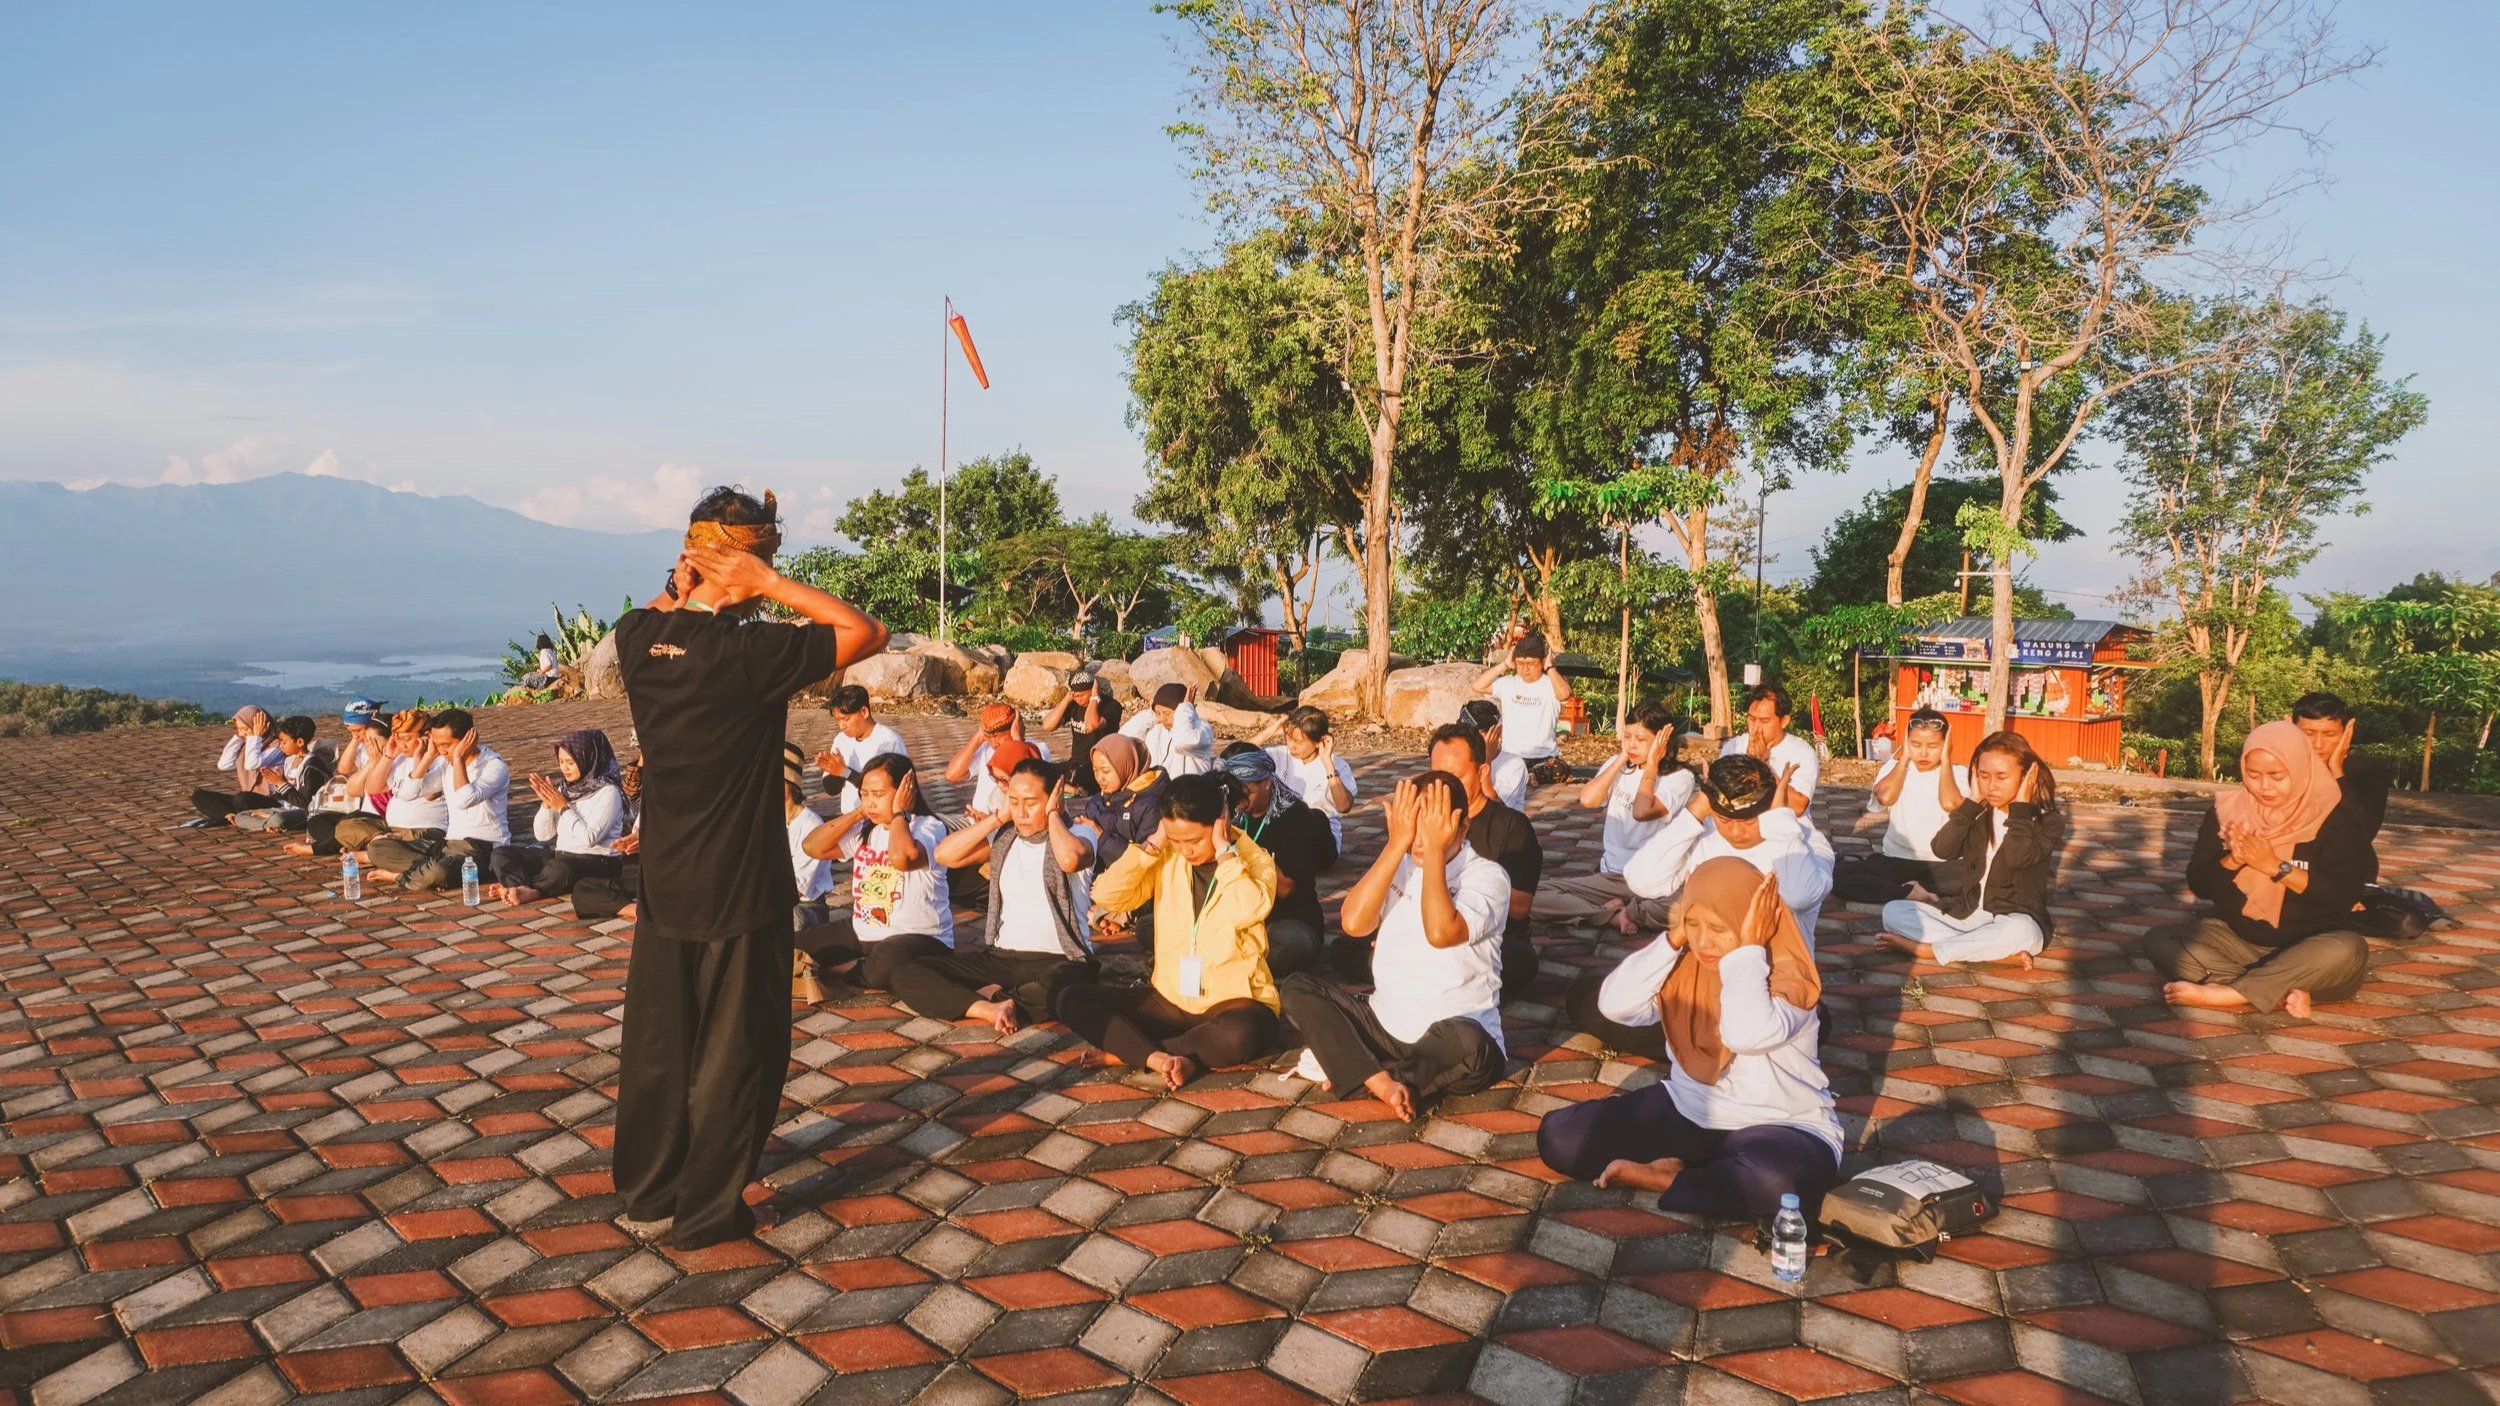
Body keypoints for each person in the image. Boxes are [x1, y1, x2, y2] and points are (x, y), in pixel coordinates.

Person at [611, 484, 887, 1250]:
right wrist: (767, 586)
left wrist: (688, 583)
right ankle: (708, 1213)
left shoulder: (637, 638)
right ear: (749, 567)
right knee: (740, 1052)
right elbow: (866, 630)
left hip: (666, 880)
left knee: (661, 1043)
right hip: (740, 884)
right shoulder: (753, 652)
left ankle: (648, 1185)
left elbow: (661, 611)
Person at [1537, 859, 1843, 1225]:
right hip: (1688, 1109)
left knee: (1779, 1184)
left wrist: (1748, 953)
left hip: (1782, 1126)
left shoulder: (1788, 976)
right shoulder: (1686, 966)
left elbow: (1745, 1034)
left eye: (1718, 927)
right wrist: (1671, 940)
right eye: (1692, 924)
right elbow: (1614, 1006)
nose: (1703, 941)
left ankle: (1668, 1178)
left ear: (1754, 925)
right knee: (1561, 1138)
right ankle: (1706, 1174)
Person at [1280, 773, 1511, 1121]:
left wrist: (1434, 849)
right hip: (1384, 1024)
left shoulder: (1488, 877)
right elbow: (1353, 923)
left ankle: (1354, 1069)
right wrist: (1394, 845)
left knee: (1471, 1044)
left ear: (1462, 827)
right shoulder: (1401, 862)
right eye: (1413, 825)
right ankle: (1381, 1081)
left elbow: (1441, 932)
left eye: (1431, 826)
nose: (1420, 840)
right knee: (1299, 987)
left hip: (1452, 1034)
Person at [1568, 755, 1832, 1058]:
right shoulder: (1705, 833)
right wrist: (1695, 812)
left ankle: (1698, 1046)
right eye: (1724, 820)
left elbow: (1800, 895)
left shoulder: (1804, 843)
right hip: (1701, 983)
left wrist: (1781, 820)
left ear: (1771, 805)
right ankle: (1699, 1045)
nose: (1735, 832)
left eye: (1747, 821)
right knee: (1588, 995)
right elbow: (1640, 880)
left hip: (1771, 988)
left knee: (1805, 1023)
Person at [1054, 774, 1280, 1091]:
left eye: (1195, 840)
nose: (1186, 850)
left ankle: (1132, 1052)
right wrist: (1154, 844)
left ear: (1221, 822)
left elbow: (1248, 909)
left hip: (1234, 1001)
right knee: (1071, 998)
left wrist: (1225, 852)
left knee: (1242, 1033)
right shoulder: (1165, 855)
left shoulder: (1254, 859)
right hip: (1170, 998)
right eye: (1177, 840)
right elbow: (1107, 895)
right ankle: (1160, 1058)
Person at [2148, 721, 2377, 1019]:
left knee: (2348, 948)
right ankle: (2272, 994)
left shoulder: (2336, 819)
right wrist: (2234, 860)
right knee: (2160, 941)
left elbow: (2342, 896)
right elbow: (2200, 885)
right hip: (2237, 940)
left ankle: (2231, 992)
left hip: (2311, 947)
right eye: (2254, 776)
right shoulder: (2226, 812)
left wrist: (2274, 866)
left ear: (2299, 768)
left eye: (2276, 776)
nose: (2264, 787)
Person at [899, 759, 1101, 1034]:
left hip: (1060, 960)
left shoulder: (1080, 833)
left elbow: (1069, 859)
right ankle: (990, 1007)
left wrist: (1053, 814)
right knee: (908, 974)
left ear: (1055, 796)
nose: (1022, 812)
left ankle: (994, 996)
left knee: (1065, 990)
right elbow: (943, 855)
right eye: (1014, 801)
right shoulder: (1004, 837)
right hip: (1003, 958)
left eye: (1031, 802)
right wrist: (998, 818)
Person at [1877, 729, 2062, 967]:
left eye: (2002, 777)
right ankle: (1996, 954)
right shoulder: (1979, 812)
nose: (1991, 786)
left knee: (2024, 933)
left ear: (2026, 777)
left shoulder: (2047, 821)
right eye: (1984, 775)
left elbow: (2018, 857)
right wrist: (1972, 802)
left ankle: (1928, 951)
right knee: (1892, 912)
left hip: (2013, 918)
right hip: (1967, 914)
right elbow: (1942, 849)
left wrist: (2022, 808)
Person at [1531, 702, 1694, 934]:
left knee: (1687, 910)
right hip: (1612, 873)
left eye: (1641, 739)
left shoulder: (1680, 777)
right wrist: (1620, 759)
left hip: (1650, 878)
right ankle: (1613, 914)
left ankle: (1611, 912)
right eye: (1628, 736)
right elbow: (1588, 799)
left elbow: (1642, 811)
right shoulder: (1619, 766)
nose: (1632, 744)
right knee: (1529, 896)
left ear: (1662, 743)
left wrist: (1652, 766)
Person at [797, 753, 953, 988]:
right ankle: (854, 965)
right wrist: (859, 813)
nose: (870, 802)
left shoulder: (929, 828)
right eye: (864, 794)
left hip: (918, 936)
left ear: (905, 790)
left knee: (889, 961)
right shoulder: (868, 828)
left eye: (879, 795)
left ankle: (833, 970)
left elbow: (902, 859)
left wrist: (901, 813)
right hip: (864, 930)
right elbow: (812, 846)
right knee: (794, 945)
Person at [1219, 745, 1336, 978]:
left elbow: (1285, 888)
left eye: (1246, 792)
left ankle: (1228, 961)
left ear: (1266, 782)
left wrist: (1233, 845)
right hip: (1236, 915)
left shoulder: (1295, 816)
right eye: (1234, 794)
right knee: (1153, 927)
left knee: (1290, 946)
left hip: (1284, 918)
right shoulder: (1230, 812)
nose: (1239, 801)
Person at [1832, 708, 1968, 904]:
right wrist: (1904, 758)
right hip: (1896, 860)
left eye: (1933, 746)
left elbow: (1951, 804)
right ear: (1906, 742)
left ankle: (1902, 890)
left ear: (1946, 744)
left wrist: (1946, 760)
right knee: (1838, 874)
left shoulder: (1959, 774)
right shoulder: (1893, 768)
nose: (1923, 753)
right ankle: (1909, 893)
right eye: (1915, 744)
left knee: (1978, 881)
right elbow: (1885, 797)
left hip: (1942, 866)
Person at [366, 709, 509, 892]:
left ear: (468, 739)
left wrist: (458, 758)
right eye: (437, 744)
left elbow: (464, 799)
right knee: (378, 848)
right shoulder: (443, 762)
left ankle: (403, 876)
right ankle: (427, 874)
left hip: (482, 848)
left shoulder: (494, 766)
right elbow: (408, 793)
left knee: (439, 870)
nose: (442, 751)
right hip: (448, 845)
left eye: (447, 745)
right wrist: (427, 756)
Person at [488, 728, 626, 903]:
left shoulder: (609, 792)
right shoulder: (566, 789)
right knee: (501, 854)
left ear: (588, 759)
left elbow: (590, 837)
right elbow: (543, 835)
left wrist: (563, 808)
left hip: (599, 862)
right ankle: (522, 888)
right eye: (561, 761)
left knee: (561, 869)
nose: (564, 768)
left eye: (570, 762)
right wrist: (546, 804)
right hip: (563, 856)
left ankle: (528, 889)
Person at [1472, 627, 1573, 788]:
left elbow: (1565, 694)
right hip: (1511, 755)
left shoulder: (1550, 684)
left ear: (1541, 662)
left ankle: (1529, 775)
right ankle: (1527, 776)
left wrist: (1550, 667)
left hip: (1545, 757)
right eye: (1521, 664)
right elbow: (1478, 686)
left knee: (1560, 769)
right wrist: (1504, 664)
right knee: (1489, 767)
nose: (1525, 669)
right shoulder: (1509, 683)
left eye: (1531, 664)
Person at [197, 715, 333, 829]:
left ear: (299, 742)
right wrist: (276, 785)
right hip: (283, 807)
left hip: (301, 813)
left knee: (278, 819)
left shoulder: (312, 767)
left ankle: (265, 821)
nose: (280, 746)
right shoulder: (290, 760)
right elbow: (224, 764)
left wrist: (280, 783)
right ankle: (257, 819)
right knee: (236, 811)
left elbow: (305, 804)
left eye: (284, 742)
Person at [1251, 706, 1359, 845]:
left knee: (1313, 816)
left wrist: (1328, 764)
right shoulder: (1280, 755)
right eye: (1289, 738)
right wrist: (1270, 731)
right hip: (1282, 831)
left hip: (1318, 839)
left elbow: (1344, 806)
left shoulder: (1336, 765)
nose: (1291, 746)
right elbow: (1236, 757)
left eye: (1299, 742)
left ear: (1319, 742)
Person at [2290, 692, 2390, 840]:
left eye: (2329, 734)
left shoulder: (2367, 771)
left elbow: (2364, 834)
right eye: (2309, 733)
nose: (2318, 744)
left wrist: (2336, 771)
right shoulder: (2280, 769)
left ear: (2346, 733)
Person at [1720, 685, 1819, 820]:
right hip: (1742, 826)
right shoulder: (1733, 747)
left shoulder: (1802, 753)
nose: (1755, 728)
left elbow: (1798, 807)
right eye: (1751, 719)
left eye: (1764, 721)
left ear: (1784, 721)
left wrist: (1762, 765)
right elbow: (1721, 798)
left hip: (1787, 828)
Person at [1073, 734, 1167, 872]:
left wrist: (1101, 838)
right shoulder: (1097, 802)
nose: (1099, 778)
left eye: (1106, 771)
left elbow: (1144, 863)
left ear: (1125, 765)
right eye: (1095, 770)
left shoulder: (1151, 806)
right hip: (1099, 884)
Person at [947, 703, 1056, 817]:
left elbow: (1029, 782)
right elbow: (952, 775)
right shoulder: (987, 748)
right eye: (989, 738)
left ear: (1014, 728)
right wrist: (979, 737)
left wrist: (1017, 739)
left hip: (1003, 824)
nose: (994, 744)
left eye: (999, 738)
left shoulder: (1035, 748)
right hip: (974, 821)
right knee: (935, 824)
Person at [813, 685, 908, 808]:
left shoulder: (888, 741)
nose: (842, 726)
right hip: (850, 820)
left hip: (880, 821)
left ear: (864, 712)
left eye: (846, 719)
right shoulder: (841, 739)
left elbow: (880, 790)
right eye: (838, 721)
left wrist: (844, 771)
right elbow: (832, 790)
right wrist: (833, 770)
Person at [191, 706, 285, 822]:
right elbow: (224, 764)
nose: (242, 733)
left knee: (242, 798)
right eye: (238, 729)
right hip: (249, 798)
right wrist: (239, 738)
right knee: (199, 796)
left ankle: (244, 815)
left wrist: (256, 737)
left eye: (245, 729)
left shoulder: (276, 745)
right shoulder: (248, 746)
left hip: (271, 801)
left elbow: (252, 763)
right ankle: (228, 816)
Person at [1041, 670, 1125, 796]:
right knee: (1039, 771)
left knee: (1081, 776)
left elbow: (1090, 726)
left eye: (1082, 695)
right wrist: (1067, 699)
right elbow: (1047, 726)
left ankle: (1070, 787)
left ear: (1092, 690)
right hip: (1075, 763)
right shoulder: (1074, 704)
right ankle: (1072, 789)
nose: (1079, 700)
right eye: (1076, 695)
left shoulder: (1111, 706)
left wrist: (1094, 697)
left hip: (1097, 765)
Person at [783, 743, 838, 927]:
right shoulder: (763, 819)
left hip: (808, 907)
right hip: (769, 901)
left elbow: (798, 889)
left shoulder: (811, 824)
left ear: (788, 785)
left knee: (792, 918)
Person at [1122, 682, 1216, 777]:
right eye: (1158, 713)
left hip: (1188, 789)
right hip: (1160, 789)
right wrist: (1151, 715)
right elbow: (1123, 739)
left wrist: (1185, 708)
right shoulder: (1156, 731)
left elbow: (1183, 742)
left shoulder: (1202, 728)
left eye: (1167, 713)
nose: (1162, 719)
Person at [1457, 699, 1531, 813]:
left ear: (1496, 732)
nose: (1468, 740)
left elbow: (1493, 808)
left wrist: (1487, 759)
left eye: (1476, 735)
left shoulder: (1514, 764)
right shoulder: (1460, 757)